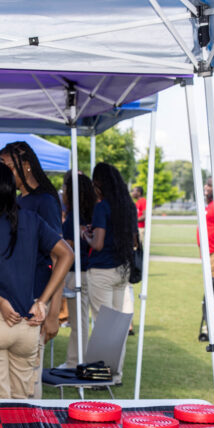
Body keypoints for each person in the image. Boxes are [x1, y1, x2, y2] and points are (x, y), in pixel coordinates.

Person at [0, 160, 73, 402]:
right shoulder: (31, 220)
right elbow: (67, 255)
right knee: (22, 406)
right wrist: (42, 301)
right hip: (27, 324)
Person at [0, 141, 65, 396]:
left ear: (25, 165)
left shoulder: (44, 202)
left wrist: (53, 310)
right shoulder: (16, 201)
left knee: (28, 384)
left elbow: (59, 258)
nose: (3, 172)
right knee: (11, 382)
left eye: (6, 166)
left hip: (35, 302)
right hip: (13, 302)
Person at [84, 162, 138, 384]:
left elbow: (96, 244)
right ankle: (116, 374)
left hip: (102, 271)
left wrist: (85, 235)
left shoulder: (102, 207)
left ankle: (102, 375)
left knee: (103, 325)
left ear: (99, 183)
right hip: (122, 269)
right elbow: (134, 240)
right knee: (117, 326)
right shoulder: (129, 206)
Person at [60, 171, 95, 368]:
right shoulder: (91, 212)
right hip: (89, 271)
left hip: (77, 273)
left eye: (65, 189)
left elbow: (69, 248)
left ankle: (75, 362)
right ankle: (77, 360)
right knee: (81, 320)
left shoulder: (74, 216)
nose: (62, 193)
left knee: (78, 322)